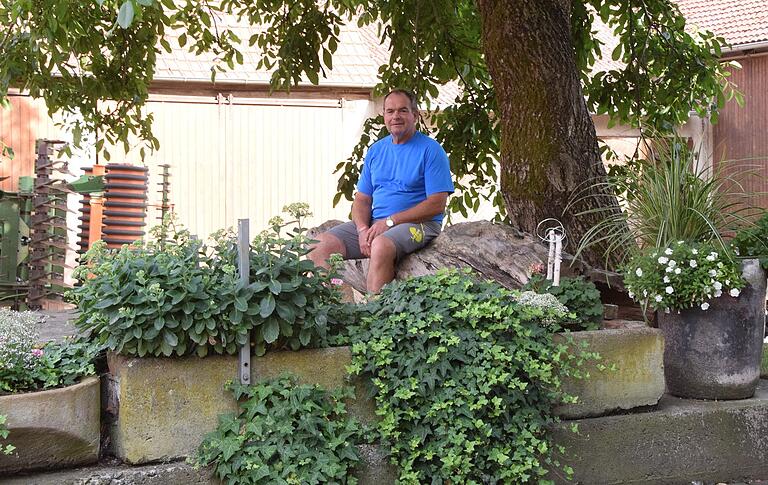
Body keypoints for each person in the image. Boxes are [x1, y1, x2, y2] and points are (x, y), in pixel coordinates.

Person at [309, 89, 454, 293]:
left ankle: (375, 316)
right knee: (319, 245)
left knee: (380, 245)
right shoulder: (376, 150)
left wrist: (390, 221)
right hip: (378, 223)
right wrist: (361, 230)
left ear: (415, 115)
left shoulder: (431, 150)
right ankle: (339, 306)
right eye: (390, 111)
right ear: (384, 116)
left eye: (403, 110)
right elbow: (362, 200)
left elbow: (436, 204)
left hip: (421, 225)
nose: (396, 116)